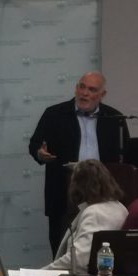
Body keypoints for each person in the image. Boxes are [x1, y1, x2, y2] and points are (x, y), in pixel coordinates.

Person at [28, 71, 129, 255]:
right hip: (64, 191)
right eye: (81, 87)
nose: (85, 93)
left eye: (92, 89)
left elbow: (127, 155)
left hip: (103, 192)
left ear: (102, 94)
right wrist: (40, 153)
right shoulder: (54, 114)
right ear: (76, 88)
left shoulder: (115, 118)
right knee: (62, 246)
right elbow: (35, 144)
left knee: (102, 246)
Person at [44, 159, 128, 272]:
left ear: (79, 185)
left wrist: (41, 273)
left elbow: (79, 259)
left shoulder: (95, 213)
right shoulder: (118, 206)